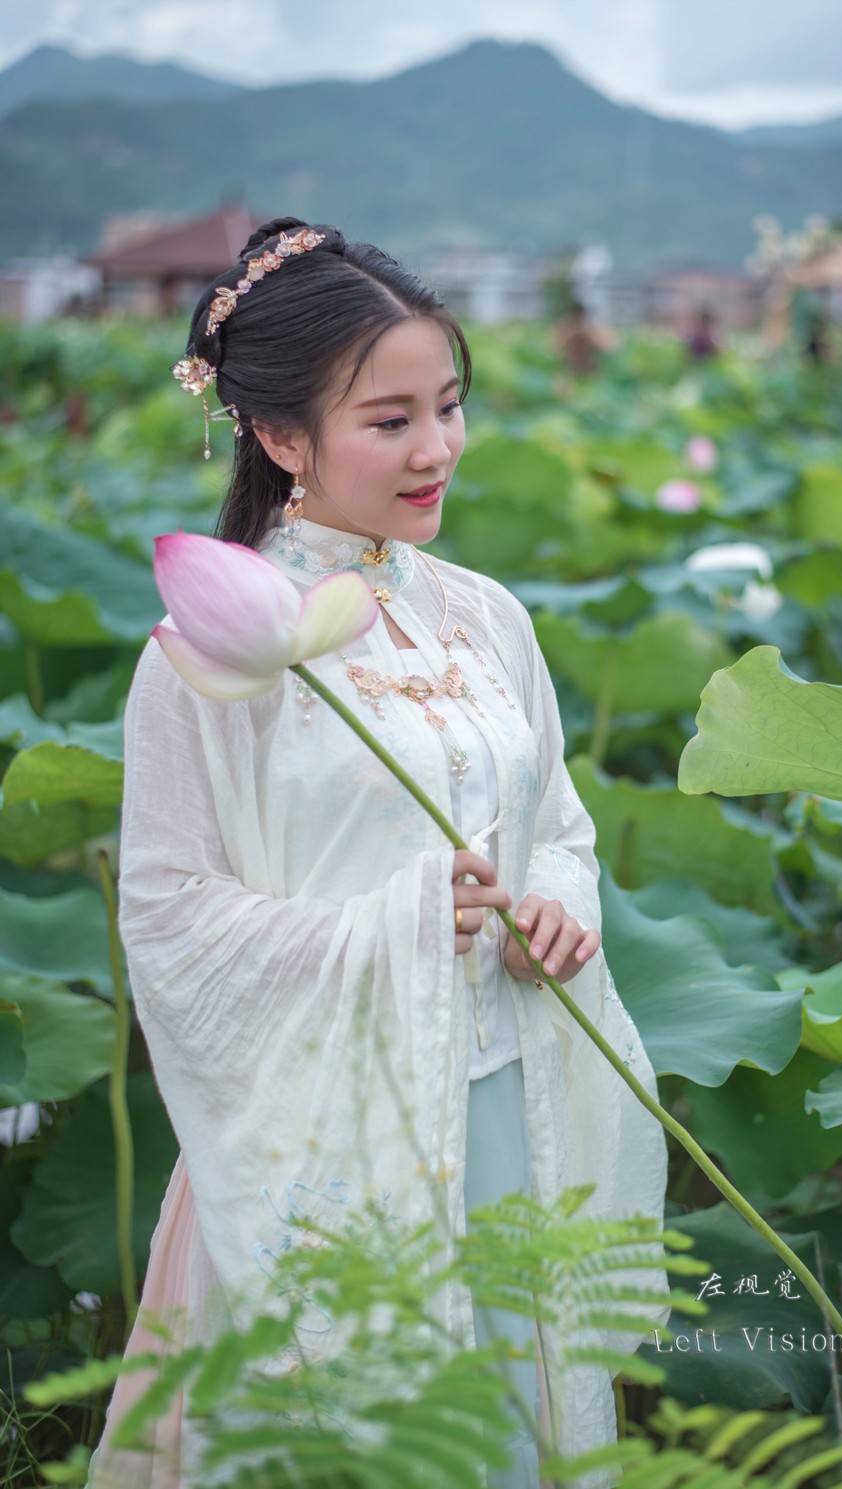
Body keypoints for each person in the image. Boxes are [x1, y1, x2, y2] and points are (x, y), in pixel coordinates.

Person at [89, 218, 668, 1489]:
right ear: (282, 435)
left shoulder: (487, 616)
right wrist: (405, 922)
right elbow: (171, 918)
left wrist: (559, 906)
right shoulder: (207, 653)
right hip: (315, 1142)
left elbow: (555, 823)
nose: (437, 448)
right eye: (391, 418)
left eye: (449, 407)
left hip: (508, 1111)